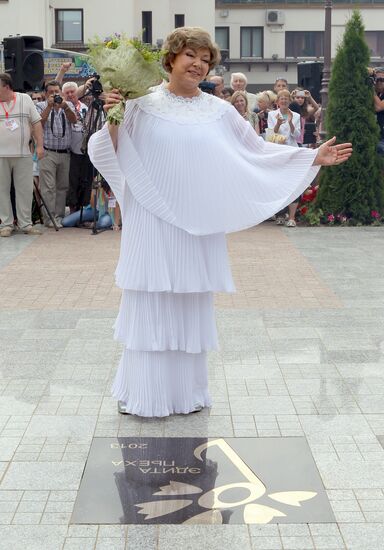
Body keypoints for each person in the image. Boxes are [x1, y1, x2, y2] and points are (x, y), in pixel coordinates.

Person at [88, 26, 352, 418]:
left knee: (190, 304)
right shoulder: (140, 104)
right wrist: (114, 113)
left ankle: (186, 394)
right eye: (190, 55)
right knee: (152, 303)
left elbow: (256, 152)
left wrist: (309, 158)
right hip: (152, 220)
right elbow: (106, 151)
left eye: (206, 59)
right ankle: (145, 395)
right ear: (170, 59)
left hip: (198, 224)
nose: (198, 64)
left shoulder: (221, 111)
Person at [0, 73, 44, 237]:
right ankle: (6, 224)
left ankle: (25, 224)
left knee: (25, 189)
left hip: (23, 153)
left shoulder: (25, 99)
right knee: (1, 190)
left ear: (6, 87)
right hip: (0, 155)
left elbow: (36, 123)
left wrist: (40, 146)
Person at [35, 80, 77, 228]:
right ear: (46, 94)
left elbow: (74, 120)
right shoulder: (40, 105)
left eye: (57, 92)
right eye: (51, 92)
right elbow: (39, 123)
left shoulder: (68, 105)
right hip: (48, 152)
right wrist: (49, 106)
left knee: (62, 187)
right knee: (48, 187)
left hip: (65, 153)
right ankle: (49, 219)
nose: (54, 94)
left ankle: (59, 217)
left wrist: (65, 107)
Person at [268, 89, 302, 227]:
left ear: (289, 101)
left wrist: (291, 123)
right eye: (281, 98)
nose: (284, 100)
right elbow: (271, 133)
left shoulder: (296, 115)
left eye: (286, 98)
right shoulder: (272, 114)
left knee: (293, 183)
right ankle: (280, 214)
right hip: (278, 152)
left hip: (292, 152)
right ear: (277, 101)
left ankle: (292, 217)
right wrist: (278, 123)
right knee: (278, 183)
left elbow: (297, 135)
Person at [62, 81, 90, 213]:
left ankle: (84, 209)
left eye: (72, 91)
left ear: (77, 93)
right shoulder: (62, 108)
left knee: (85, 180)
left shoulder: (85, 107)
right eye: (67, 93)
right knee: (72, 182)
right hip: (71, 152)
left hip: (85, 152)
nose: (70, 94)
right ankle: (73, 210)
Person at [373, 67, 384, 155]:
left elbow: (379, 107)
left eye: (382, 79)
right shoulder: (377, 94)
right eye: (377, 79)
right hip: (376, 134)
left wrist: (371, 89)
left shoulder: (374, 94)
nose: (379, 82)